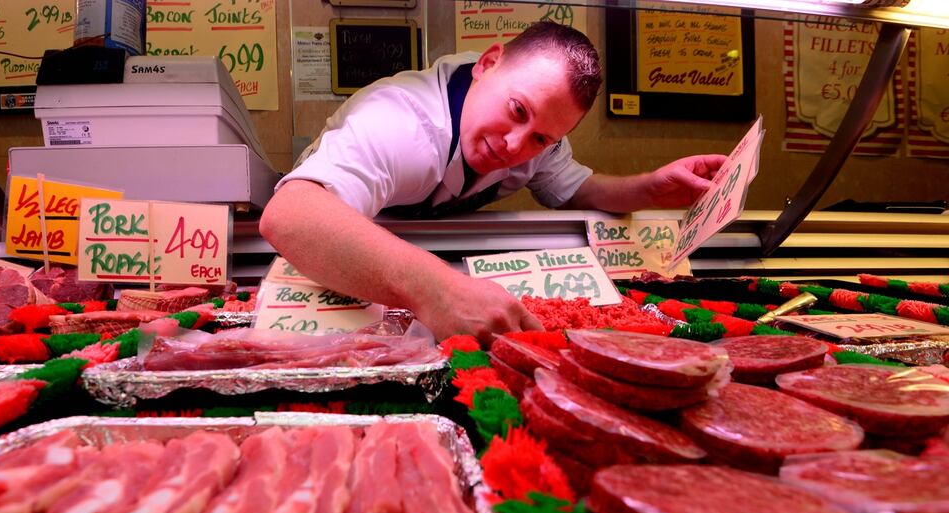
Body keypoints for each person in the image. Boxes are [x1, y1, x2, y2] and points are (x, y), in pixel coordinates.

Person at [260, 21, 725, 344]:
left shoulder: (539, 139)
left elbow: (575, 188)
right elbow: (291, 216)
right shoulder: (399, 122)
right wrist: (435, 288)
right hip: (337, 264)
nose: (515, 145)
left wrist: (649, 188)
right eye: (517, 111)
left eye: (541, 137)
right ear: (487, 64)